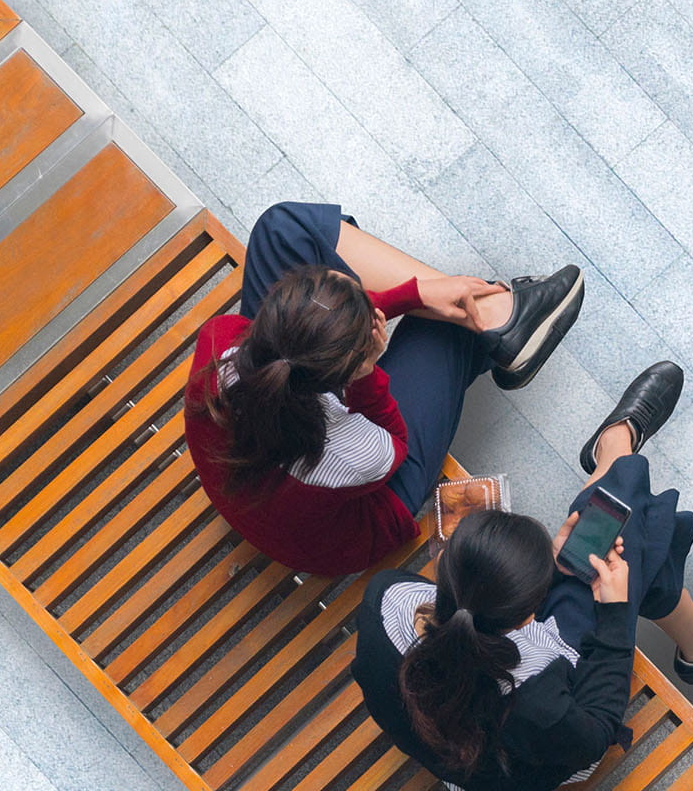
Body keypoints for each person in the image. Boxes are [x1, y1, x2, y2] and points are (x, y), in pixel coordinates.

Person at [352, 362, 693, 791]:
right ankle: (616, 452)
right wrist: (617, 614)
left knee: (616, 547)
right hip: (531, 759)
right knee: (621, 544)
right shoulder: (539, 701)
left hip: (450, 741)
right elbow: (595, 732)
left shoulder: (387, 602)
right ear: (531, 614)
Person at [184, 202, 584, 578]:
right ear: (343, 376)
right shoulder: (354, 451)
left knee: (282, 228)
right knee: (440, 328)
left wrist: (414, 293)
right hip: (344, 527)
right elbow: (393, 445)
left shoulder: (220, 344)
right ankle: (498, 325)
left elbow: (316, 337)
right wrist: (367, 374)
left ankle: (502, 321)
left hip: (256, 471)